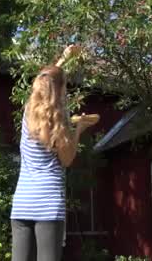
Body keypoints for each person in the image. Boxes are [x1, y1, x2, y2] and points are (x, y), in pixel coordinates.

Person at [10, 45, 96, 261]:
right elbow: (67, 160)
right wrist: (79, 130)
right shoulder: (59, 126)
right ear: (60, 91)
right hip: (47, 205)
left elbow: (44, 81)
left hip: (22, 204)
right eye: (65, 86)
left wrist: (63, 59)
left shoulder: (29, 113)